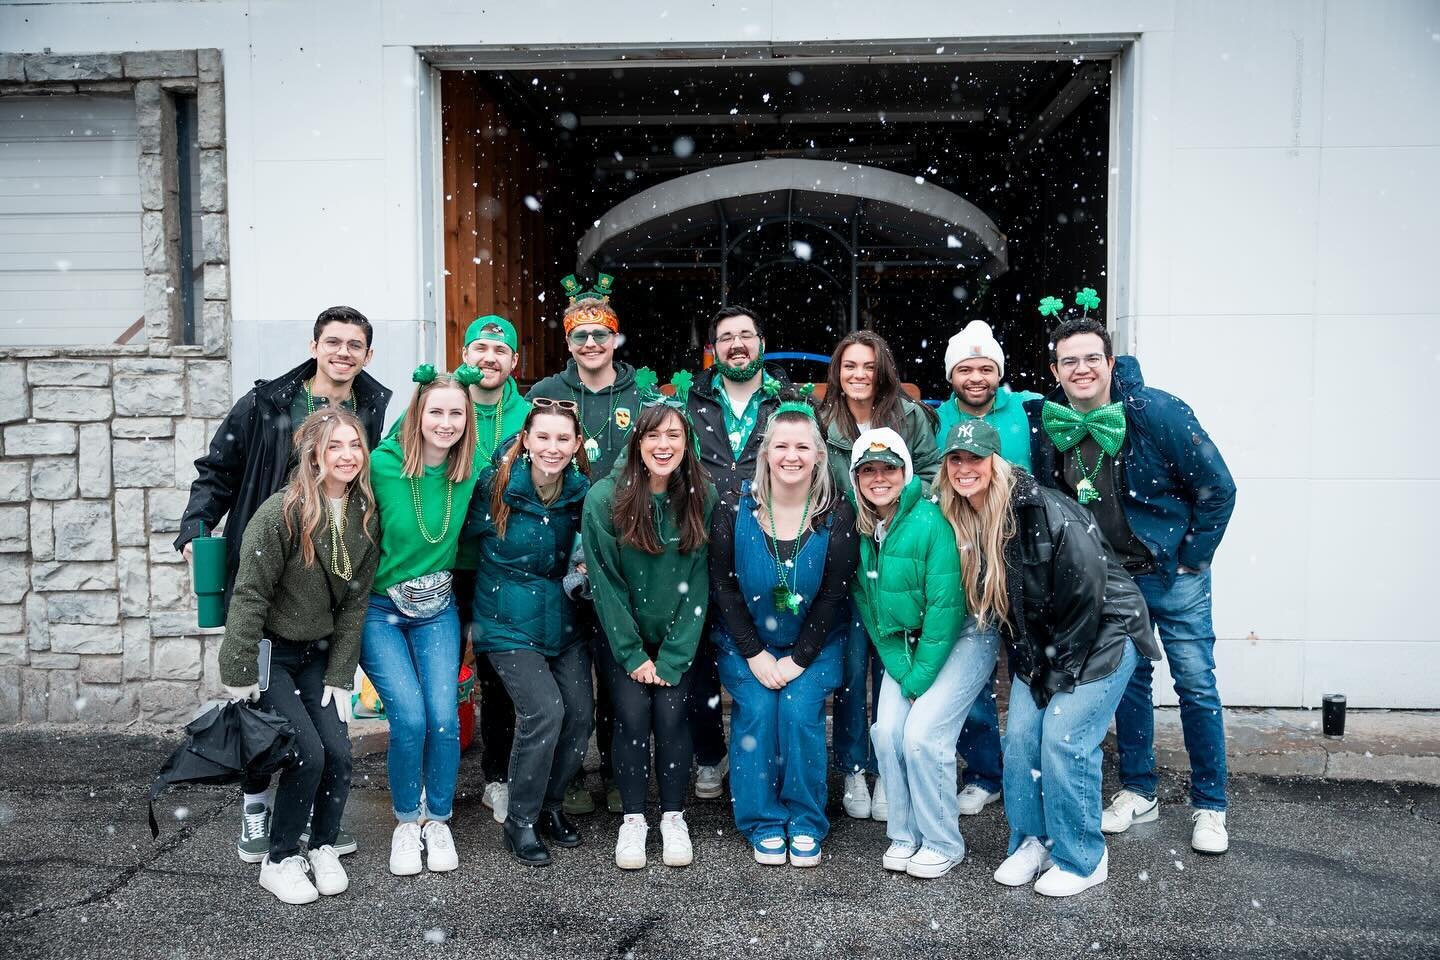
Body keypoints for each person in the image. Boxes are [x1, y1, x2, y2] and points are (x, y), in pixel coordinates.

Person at [177, 305, 390, 864]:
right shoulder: (267, 401)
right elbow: (218, 468)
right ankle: (254, 811)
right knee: (267, 717)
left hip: (328, 558)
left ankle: (313, 824)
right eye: (334, 342)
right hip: (271, 544)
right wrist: (199, 527)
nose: (344, 352)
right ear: (315, 345)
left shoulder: (371, 406)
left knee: (317, 739)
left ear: (367, 354)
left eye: (355, 345)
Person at [1024, 296, 1236, 855]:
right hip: (1111, 584)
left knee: (1195, 683)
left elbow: (1219, 488)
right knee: (1129, 687)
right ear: (1055, 370)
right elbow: (1053, 506)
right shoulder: (1052, 426)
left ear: (1110, 362)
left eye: (1092, 358)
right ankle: (1140, 790)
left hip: (1173, 575)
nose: (1082, 370)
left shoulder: (1156, 412)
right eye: (1069, 361)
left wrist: (1193, 555)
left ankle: (1210, 805)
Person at [934, 418, 1158, 896]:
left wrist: (1056, 673)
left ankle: (1081, 858)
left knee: (1064, 736)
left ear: (997, 463)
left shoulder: (1043, 511)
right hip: (1046, 646)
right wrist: (1038, 666)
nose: (964, 467)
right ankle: (1032, 841)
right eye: (956, 458)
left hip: (1104, 634)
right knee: (1019, 739)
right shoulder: (964, 516)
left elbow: (1088, 593)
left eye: (975, 458)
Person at [217, 408, 380, 904]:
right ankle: (281, 857)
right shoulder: (280, 513)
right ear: (313, 452)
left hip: (318, 655)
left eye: (355, 445)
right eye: (335, 446)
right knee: (305, 754)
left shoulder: (365, 515)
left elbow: (355, 600)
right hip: (272, 656)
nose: (348, 455)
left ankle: (323, 845)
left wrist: (340, 670)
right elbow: (249, 595)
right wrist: (240, 668)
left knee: (339, 754)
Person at [708, 389, 856, 867]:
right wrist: (754, 653)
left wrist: (796, 659)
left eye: (802, 447)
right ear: (766, 453)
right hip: (745, 642)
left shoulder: (837, 515)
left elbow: (834, 596)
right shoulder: (734, 508)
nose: (791, 456)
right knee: (755, 710)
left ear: (817, 456)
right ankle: (763, 819)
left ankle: (806, 818)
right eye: (781, 446)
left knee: (796, 711)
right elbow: (723, 587)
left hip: (814, 644)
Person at [582, 390, 717, 870]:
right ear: (637, 440)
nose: (664, 444)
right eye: (654, 434)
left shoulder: (703, 494)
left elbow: (699, 580)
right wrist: (633, 653)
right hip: (625, 637)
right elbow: (604, 580)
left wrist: (676, 654)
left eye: (674, 434)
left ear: (687, 441)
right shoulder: (605, 498)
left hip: (679, 634)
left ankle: (674, 816)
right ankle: (635, 819)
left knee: (673, 719)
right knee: (633, 719)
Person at [463, 401, 592, 866]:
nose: (552, 448)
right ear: (526, 441)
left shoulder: (582, 494)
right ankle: (521, 818)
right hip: (505, 621)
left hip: (564, 622)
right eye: (543, 437)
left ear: (577, 445)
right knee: (544, 712)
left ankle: (551, 806)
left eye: (563, 439)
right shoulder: (494, 487)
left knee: (579, 716)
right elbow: (455, 541)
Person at [528, 274, 639, 816]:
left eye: (601, 334)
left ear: (616, 337)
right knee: (569, 679)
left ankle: (621, 773)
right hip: (560, 553)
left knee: (620, 672)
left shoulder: (641, 397)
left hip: (625, 553)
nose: (591, 344)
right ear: (568, 342)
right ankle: (569, 774)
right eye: (580, 336)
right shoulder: (545, 394)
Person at [362, 367, 480, 877]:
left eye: (456, 412)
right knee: (408, 718)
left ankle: (439, 820)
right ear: (418, 414)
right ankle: (407, 823)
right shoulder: (382, 465)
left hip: (438, 609)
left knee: (444, 718)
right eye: (436, 411)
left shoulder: (469, 469)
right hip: (381, 610)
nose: (446, 422)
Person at [819, 330, 940, 822]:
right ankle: (852, 766)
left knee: (893, 662)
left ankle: (891, 768)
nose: (859, 375)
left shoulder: (907, 415)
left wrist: (899, 508)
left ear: (882, 370)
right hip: (847, 552)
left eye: (868, 366)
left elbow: (932, 470)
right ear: (838, 372)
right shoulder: (824, 419)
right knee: (850, 669)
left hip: (897, 552)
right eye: (850, 366)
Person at [849, 428, 972, 879]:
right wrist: (901, 671)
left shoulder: (930, 522)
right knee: (886, 733)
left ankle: (942, 840)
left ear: (904, 472)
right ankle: (904, 834)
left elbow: (946, 608)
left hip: (944, 644)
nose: (879, 479)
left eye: (888, 469)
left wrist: (918, 680)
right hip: (901, 650)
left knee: (920, 737)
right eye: (869, 471)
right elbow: (871, 610)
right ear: (857, 478)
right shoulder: (864, 530)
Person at [934, 319, 1044, 817]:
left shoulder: (1030, 410)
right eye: (965, 368)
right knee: (972, 677)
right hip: (965, 561)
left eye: (985, 368)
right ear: (951, 375)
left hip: (1026, 562)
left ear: (998, 372)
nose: (975, 377)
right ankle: (984, 773)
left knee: (1030, 665)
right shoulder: (935, 419)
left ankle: (1032, 767)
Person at [684, 304, 790, 802]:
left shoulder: (785, 401)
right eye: (726, 337)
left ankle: (775, 757)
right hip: (702, 542)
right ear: (714, 350)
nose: (737, 344)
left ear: (762, 343)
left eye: (746, 335)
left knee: (771, 642)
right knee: (702, 652)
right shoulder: (692, 402)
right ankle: (710, 754)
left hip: (768, 545)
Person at [450, 315, 531, 827]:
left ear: (514, 361)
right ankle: (429, 783)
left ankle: (497, 778)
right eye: (480, 348)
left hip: (506, 566)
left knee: (500, 676)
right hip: (447, 562)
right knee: (436, 672)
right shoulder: (437, 405)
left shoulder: (530, 414)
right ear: (464, 355)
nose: (489, 358)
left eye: (500, 351)